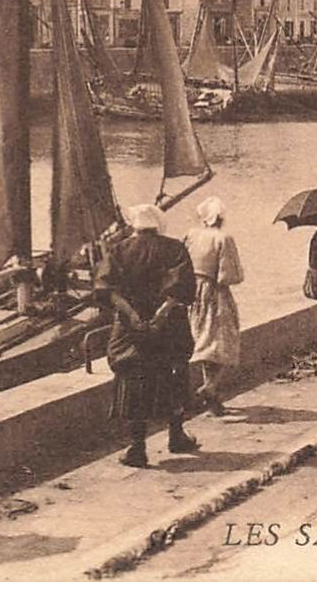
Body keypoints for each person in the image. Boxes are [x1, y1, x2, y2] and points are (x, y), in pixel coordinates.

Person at [97, 203, 198, 466]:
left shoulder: (119, 250)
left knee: (133, 381)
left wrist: (132, 316)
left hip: (131, 329)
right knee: (174, 375)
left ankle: (137, 448)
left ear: (134, 225)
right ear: (157, 224)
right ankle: (176, 436)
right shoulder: (175, 247)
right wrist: (160, 316)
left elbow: (108, 290)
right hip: (169, 326)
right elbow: (181, 289)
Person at [184, 197, 244, 417]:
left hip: (193, 291)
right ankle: (210, 387)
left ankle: (212, 392)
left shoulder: (191, 234)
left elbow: (182, 262)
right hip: (214, 292)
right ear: (219, 217)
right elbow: (229, 275)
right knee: (222, 340)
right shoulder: (223, 238)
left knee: (202, 340)